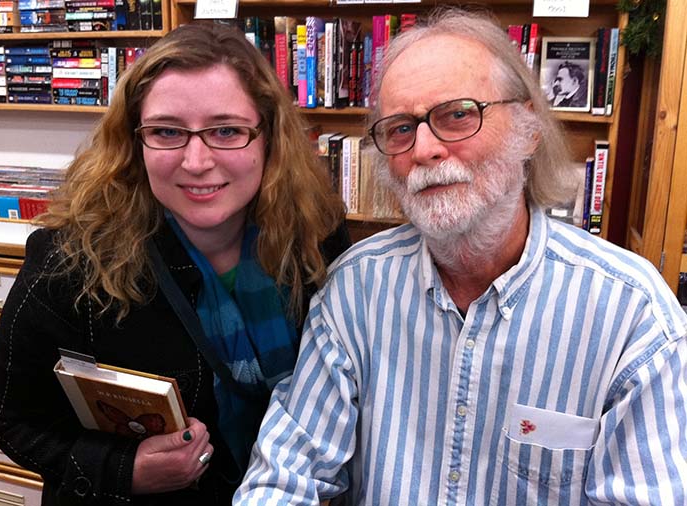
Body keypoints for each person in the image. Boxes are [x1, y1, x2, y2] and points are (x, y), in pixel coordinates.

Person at [234, 7, 687, 506]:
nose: (424, 148)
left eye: (457, 114)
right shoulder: (354, 294)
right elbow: (282, 479)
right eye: (401, 128)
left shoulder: (632, 316)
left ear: (529, 129)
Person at [0, 21, 349, 506]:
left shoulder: (316, 240)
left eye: (227, 131)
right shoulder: (70, 261)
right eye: (168, 131)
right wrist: (120, 469)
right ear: (135, 141)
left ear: (268, 138)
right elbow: (9, 416)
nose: (196, 160)